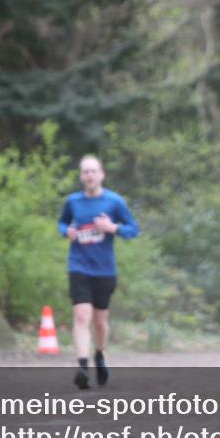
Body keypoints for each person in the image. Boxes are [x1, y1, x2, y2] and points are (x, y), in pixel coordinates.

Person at [58, 154, 139, 389]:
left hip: (104, 269)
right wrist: (67, 232)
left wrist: (111, 227)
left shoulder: (114, 202)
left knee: (100, 321)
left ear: (101, 174)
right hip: (78, 266)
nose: (90, 175)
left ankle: (100, 354)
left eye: (94, 171)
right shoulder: (72, 202)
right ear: (81, 176)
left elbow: (133, 230)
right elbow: (62, 223)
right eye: (86, 171)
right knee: (82, 316)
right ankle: (82, 367)